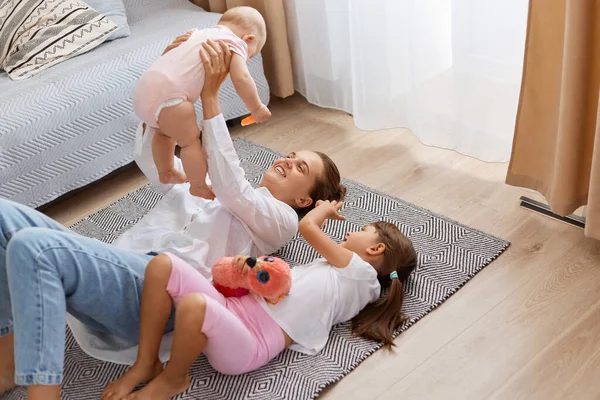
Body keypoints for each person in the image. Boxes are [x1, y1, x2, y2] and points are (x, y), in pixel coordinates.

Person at [0, 39, 345, 400]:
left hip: (157, 295)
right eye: (290, 154)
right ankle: (7, 368)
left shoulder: (280, 220)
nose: (287, 161)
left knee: (33, 246)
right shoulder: (208, 180)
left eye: (299, 166)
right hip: (123, 267)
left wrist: (211, 99)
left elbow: (234, 190)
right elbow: (156, 165)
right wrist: (169, 94)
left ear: (305, 198)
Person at [102, 199, 417, 400]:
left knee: (195, 305)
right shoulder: (339, 272)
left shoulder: (361, 275)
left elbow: (307, 226)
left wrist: (322, 211)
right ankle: (147, 362)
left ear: (375, 250)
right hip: (232, 310)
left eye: (362, 230)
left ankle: (174, 379)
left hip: (249, 343)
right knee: (163, 264)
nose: (350, 234)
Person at [134, 6, 271, 199]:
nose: (246, 57)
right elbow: (242, 78)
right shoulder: (234, 42)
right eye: (252, 54)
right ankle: (197, 185)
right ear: (248, 39)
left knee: (163, 132)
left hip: (144, 87)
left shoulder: (196, 33)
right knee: (190, 142)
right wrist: (256, 107)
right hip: (171, 96)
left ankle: (166, 171)